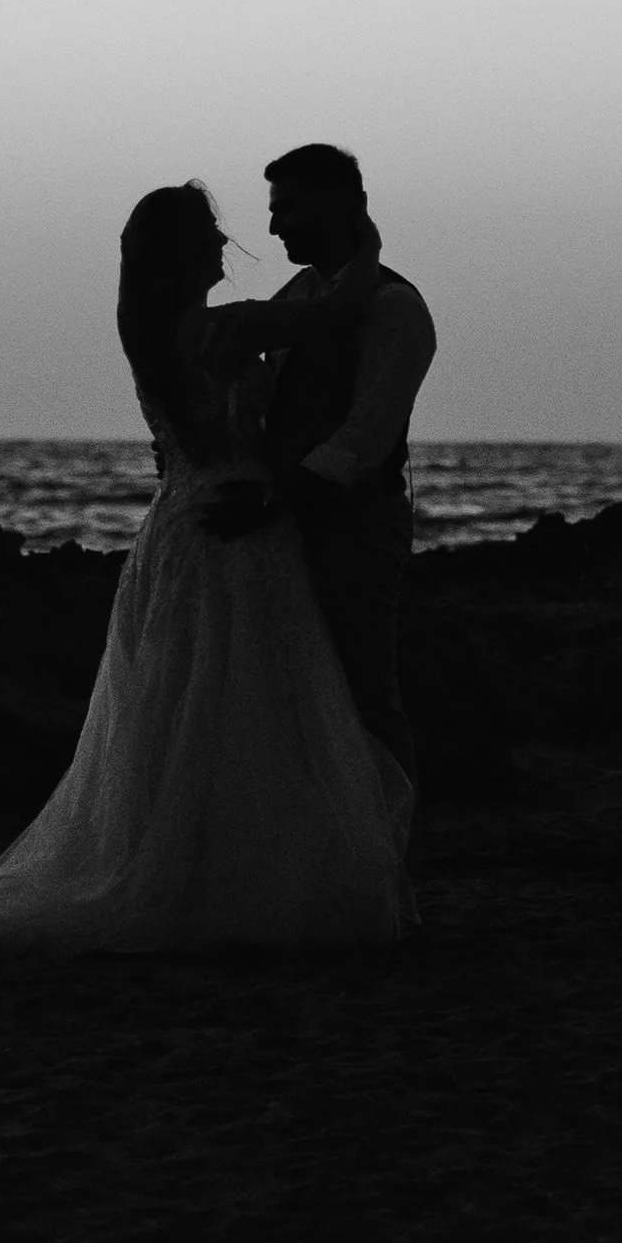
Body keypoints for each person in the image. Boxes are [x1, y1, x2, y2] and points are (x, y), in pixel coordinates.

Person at [0, 179, 415, 960]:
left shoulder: (155, 333)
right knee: (239, 703)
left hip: (184, 523)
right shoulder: (219, 329)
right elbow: (335, 313)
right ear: (187, 251)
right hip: (234, 526)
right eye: (213, 233)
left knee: (193, 709)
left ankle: (201, 872)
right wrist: (366, 236)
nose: (228, 243)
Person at [203, 142, 435, 793]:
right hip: (289, 526)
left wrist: (272, 501)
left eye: (287, 209)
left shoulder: (394, 308)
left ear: (332, 205)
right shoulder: (303, 294)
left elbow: (364, 438)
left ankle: (386, 850)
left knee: (363, 692)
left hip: (355, 529)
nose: (273, 227)